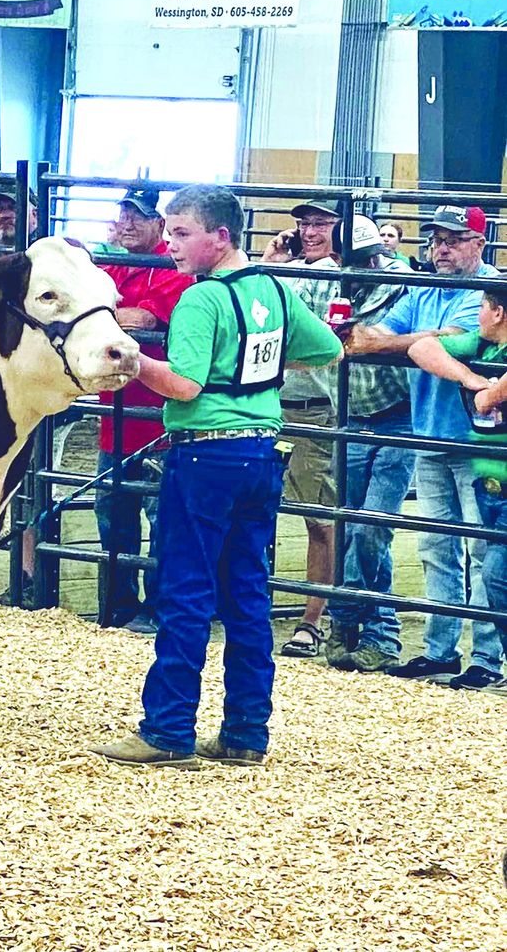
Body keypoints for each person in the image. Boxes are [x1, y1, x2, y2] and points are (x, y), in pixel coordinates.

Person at [91, 184, 342, 768]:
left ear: (220, 236)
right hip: (261, 451)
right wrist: (256, 370)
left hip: (204, 454)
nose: (172, 246)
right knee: (248, 594)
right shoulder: (273, 290)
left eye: (182, 234)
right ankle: (246, 732)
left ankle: (168, 729)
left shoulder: (202, 300)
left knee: (186, 589)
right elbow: (328, 347)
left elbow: (184, 385)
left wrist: (131, 360)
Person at [347, 205, 503, 689]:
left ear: (478, 242)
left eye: (454, 239)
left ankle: (486, 656)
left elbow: (440, 338)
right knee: (438, 545)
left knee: (482, 551)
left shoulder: (488, 290)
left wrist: (384, 343)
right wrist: (397, 342)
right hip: (434, 431)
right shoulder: (426, 287)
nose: (441, 248)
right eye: (437, 239)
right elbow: (392, 340)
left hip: (479, 442)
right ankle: (441, 649)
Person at [317, 216, 418, 673]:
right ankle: (362, 628)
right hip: (351, 417)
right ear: (343, 258)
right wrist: (276, 262)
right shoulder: (322, 282)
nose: (372, 263)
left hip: (397, 418)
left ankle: (361, 623)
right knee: (353, 526)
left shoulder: (400, 284)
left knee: (371, 526)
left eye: (374, 254)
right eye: (359, 258)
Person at [93, 189, 194, 633]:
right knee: (112, 511)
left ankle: (157, 606)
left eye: (139, 216)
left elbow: (146, 320)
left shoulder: (171, 271)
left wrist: (103, 316)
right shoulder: (113, 266)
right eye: (123, 215)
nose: (128, 223)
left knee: (160, 517)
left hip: (156, 416)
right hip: (116, 415)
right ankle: (117, 603)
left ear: (160, 224)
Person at [411, 291, 507, 693]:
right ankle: (447, 650)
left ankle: (487, 658)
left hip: (491, 469)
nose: (478, 314)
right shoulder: (482, 344)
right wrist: (470, 377)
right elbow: (422, 346)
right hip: (490, 473)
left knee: (493, 567)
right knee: (474, 560)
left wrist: (492, 392)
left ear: (497, 311)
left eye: (483, 307)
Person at [261, 199, 341, 660]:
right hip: (274, 403)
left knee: (318, 516)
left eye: (321, 224)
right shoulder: (283, 271)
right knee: (256, 509)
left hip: (314, 407)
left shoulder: (337, 273)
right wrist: (272, 262)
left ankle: (313, 619)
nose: (310, 232)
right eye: (304, 224)